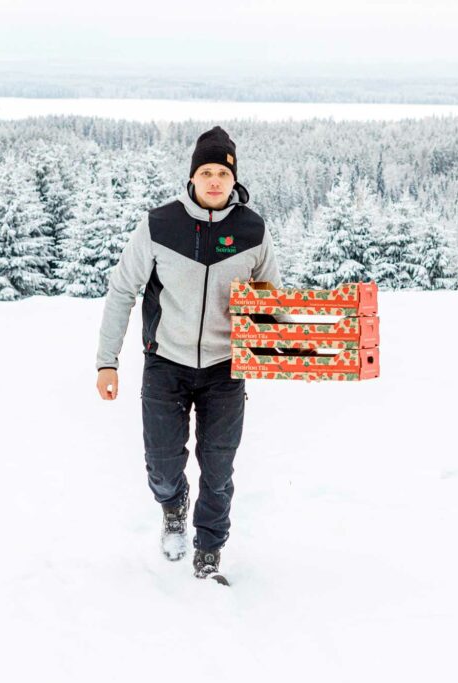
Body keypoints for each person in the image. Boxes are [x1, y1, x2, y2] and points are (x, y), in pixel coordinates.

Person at [94, 126, 281, 584]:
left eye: (223, 173)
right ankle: (173, 505)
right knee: (161, 464)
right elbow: (122, 290)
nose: (214, 181)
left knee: (218, 470)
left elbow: (270, 300)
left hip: (225, 368)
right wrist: (107, 361)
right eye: (206, 172)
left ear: (234, 179)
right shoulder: (160, 224)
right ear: (193, 176)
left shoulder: (252, 230)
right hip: (166, 362)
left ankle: (209, 551)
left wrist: (282, 345)